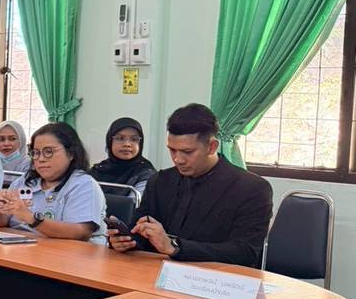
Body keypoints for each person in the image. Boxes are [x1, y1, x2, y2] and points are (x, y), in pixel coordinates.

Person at [106, 103, 273, 267]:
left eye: (187, 152)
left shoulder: (251, 188)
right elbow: (141, 230)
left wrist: (174, 247)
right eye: (172, 150)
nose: (178, 159)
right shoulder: (160, 181)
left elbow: (245, 252)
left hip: (216, 278)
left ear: (212, 147)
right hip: (155, 272)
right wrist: (126, 241)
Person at [0, 123, 106, 243]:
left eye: (49, 152)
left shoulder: (83, 185)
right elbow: (1, 222)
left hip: (68, 252)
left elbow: (81, 232)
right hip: (23, 249)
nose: (41, 159)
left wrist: (31, 218)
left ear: (71, 153)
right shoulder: (25, 181)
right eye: (36, 153)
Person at [88, 117, 157, 196]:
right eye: (120, 138)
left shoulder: (146, 173)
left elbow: (133, 203)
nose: (127, 144)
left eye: (134, 139)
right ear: (110, 141)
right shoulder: (98, 170)